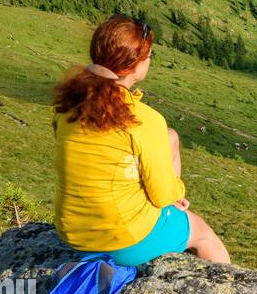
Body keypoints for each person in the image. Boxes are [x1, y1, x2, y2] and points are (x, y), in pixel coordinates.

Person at [52, 14, 230, 266]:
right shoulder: (143, 120)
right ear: (135, 65)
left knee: (170, 138)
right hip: (122, 240)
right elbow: (161, 196)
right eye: (148, 55)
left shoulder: (68, 107)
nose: (149, 60)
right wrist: (176, 191)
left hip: (72, 234)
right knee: (203, 234)